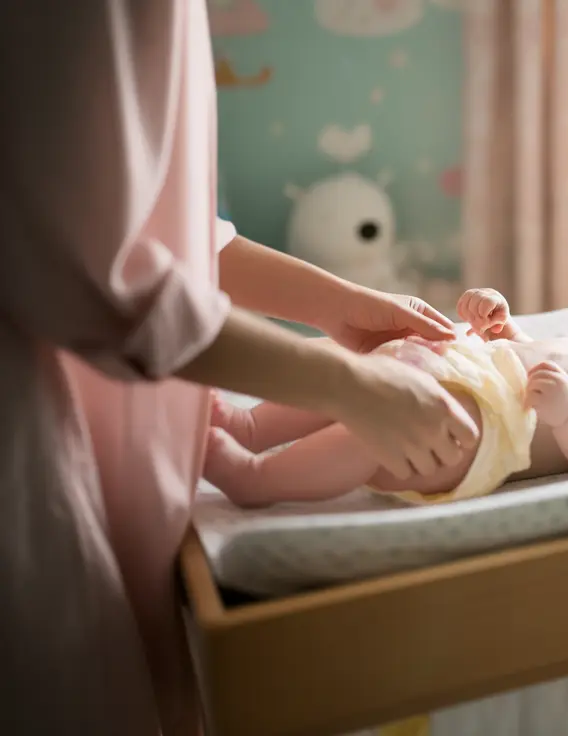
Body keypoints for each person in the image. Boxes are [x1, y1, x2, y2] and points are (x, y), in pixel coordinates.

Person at [0, 2, 476, 734]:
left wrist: (337, 303)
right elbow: (102, 275)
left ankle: (250, 448)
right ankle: (252, 459)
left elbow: (175, 236)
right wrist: (350, 385)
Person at [203, 286, 568, 507]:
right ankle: (251, 425)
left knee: (366, 437)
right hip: (446, 370)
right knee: (341, 366)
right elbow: (527, 354)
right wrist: (501, 324)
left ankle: (258, 478)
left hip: (472, 434)